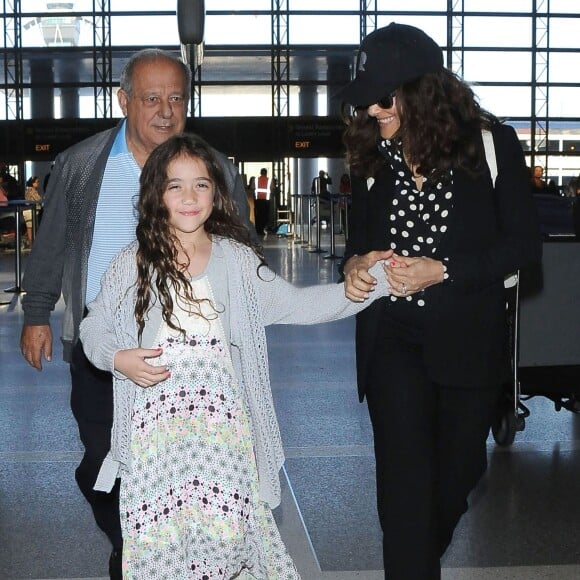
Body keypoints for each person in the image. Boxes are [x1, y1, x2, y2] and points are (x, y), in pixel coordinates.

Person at [78, 133, 391, 578]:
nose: (189, 196)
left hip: (223, 440)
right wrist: (117, 357)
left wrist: (371, 283)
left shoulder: (237, 262)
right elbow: (95, 325)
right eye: (175, 185)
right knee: (161, 550)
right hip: (155, 442)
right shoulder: (132, 262)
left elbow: (298, 305)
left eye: (201, 184)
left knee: (226, 546)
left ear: (217, 193)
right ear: (155, 195)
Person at [19, 48, 253, 580]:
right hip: (104, 348)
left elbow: (245, 252)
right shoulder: (82, 165)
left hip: (192, 357)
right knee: (102, 464)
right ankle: (133, 543)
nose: (165, 111)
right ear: (124, 101)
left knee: (181, 471)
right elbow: (52, 242)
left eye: (176, 98)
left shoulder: (213, 169)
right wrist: (37, 313)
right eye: (151, 98)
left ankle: (149, 557)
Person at [337, 22, 541, 579]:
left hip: (468, 343)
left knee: (458, 475)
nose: (373, 113)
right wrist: (355, 267)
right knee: (404, 490)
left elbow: (523, 247)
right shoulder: (376, 154)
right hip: (392, 342)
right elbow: (356, 246)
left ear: (422, 91)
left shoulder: (493, 145)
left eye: (383, 100)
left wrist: (443, 271)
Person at [23, 175, 42, 245]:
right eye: (37, 182)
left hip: (29, 211)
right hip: (30, 211)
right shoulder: (31, 190)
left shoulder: (28, 189)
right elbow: (38, 199)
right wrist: (41, 197)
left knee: (30, 227)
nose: (38, 183)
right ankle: (31, 243)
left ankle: (31, 242)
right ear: (32, 183)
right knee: (30, 228)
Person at [254, 167, 272, 237]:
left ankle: (258, 229)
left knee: (258, 215)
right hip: (266, 200)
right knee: (265, 215)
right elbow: (272, 187)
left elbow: (252, 187)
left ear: (260, 173)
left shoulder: (256, 180)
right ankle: (262, 229)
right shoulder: (269, 180)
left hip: (258, 199)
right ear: (266, 173)